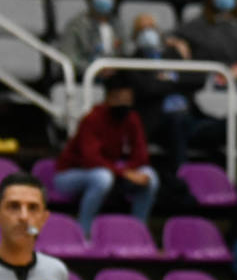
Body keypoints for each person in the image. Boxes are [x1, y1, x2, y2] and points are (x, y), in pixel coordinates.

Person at [54, 72, 160, 236]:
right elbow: (91, 159)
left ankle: (138, 232)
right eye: (118, 98)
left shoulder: (131, 118)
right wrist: (124, 172)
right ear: (108, 98)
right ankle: (83, 233)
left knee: (150, 177)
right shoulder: (92, 119)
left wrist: (129, 171)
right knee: (102, 177)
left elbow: (141, 156)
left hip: (111, 172)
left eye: (127, 99)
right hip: (70, 175)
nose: (123, 104)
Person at [128, 11, 205, 175]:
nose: (148, 33)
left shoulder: (173, 54)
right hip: (158, 123)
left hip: (189, 118)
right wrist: (177, 80)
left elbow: (198, 79)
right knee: (177, 122)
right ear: (134, 37)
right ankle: (183, 179)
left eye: (151, 28)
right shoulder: (133, 60)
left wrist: (183, 63)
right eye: (142, 30)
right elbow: (149, 88)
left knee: (236, 122)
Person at [58, 0, 124, 77]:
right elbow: (68, 58)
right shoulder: (76, 25)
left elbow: (125, 52)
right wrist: (95, 69)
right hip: (86, 77)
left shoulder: (118, 25)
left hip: (116, 76)